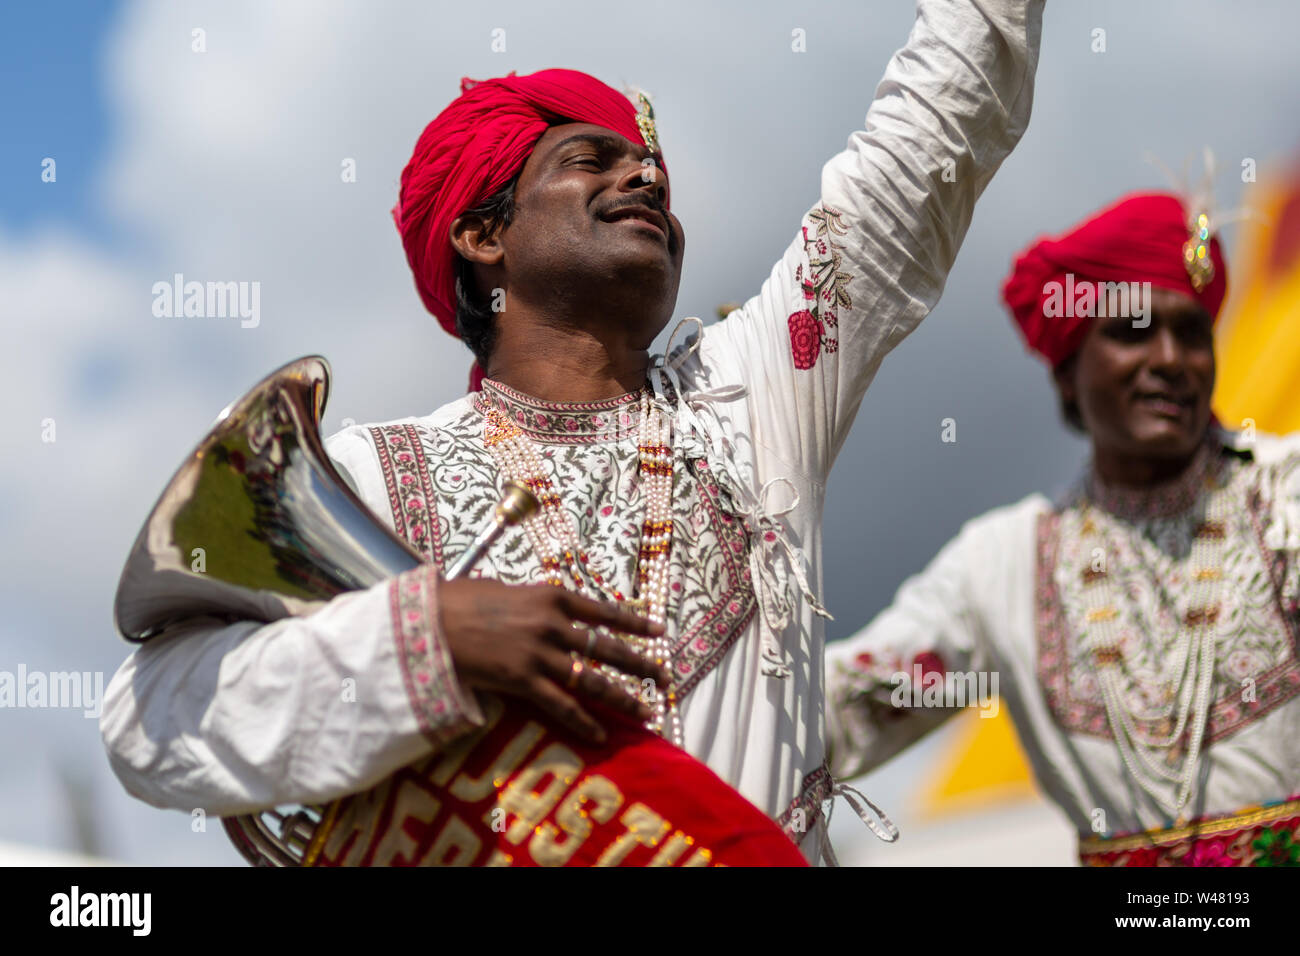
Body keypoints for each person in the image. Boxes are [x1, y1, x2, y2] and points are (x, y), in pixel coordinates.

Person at [101, 0, 1044, 865]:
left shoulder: (753, 396)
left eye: (653, 172)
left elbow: (922, 148)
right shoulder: (371, 478)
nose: (647, 173)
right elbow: (146, 721)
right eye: (591, 160)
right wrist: (428, 640)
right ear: (480, 234)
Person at [826, 191, 1300, 866]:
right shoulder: (1004, 565)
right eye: (1134, 332)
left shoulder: (1286, 496)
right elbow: (844, 708)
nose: (1171, 358)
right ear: (1069, 374)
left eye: (1192, 333)